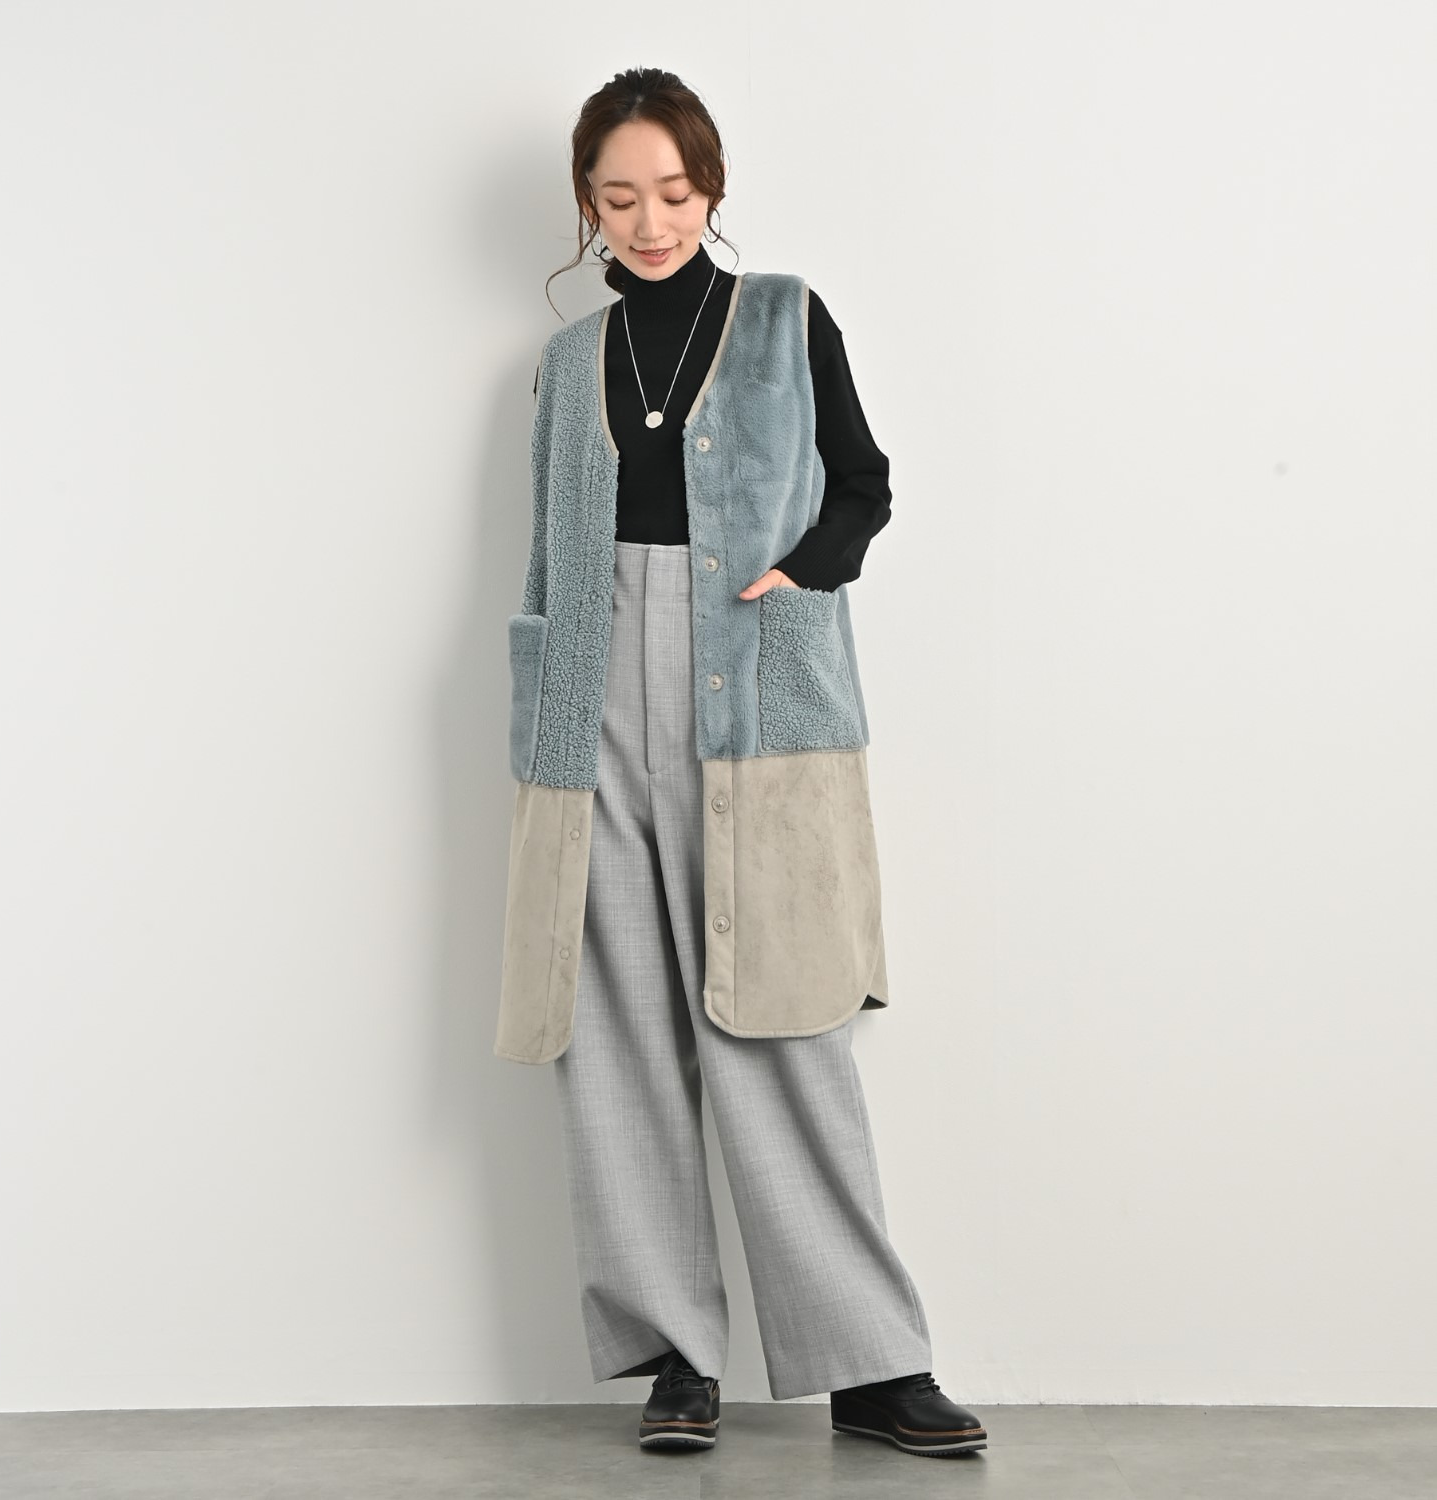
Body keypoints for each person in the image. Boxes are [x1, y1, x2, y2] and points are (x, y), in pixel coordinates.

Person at [496, 66, 987, 1461]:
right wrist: (547, 724)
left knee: (781, 1021)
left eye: (673, 191)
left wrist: (803, 573)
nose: (650, 222)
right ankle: (675, 1359)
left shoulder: (782, 315)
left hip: (756, 693)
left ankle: (872, 1367)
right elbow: (550, 553)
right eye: (619, 199)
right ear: (587, 207)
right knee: (616, 1036)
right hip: (589, 705)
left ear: (710, 188)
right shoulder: (568, 362)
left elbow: (864, 484)